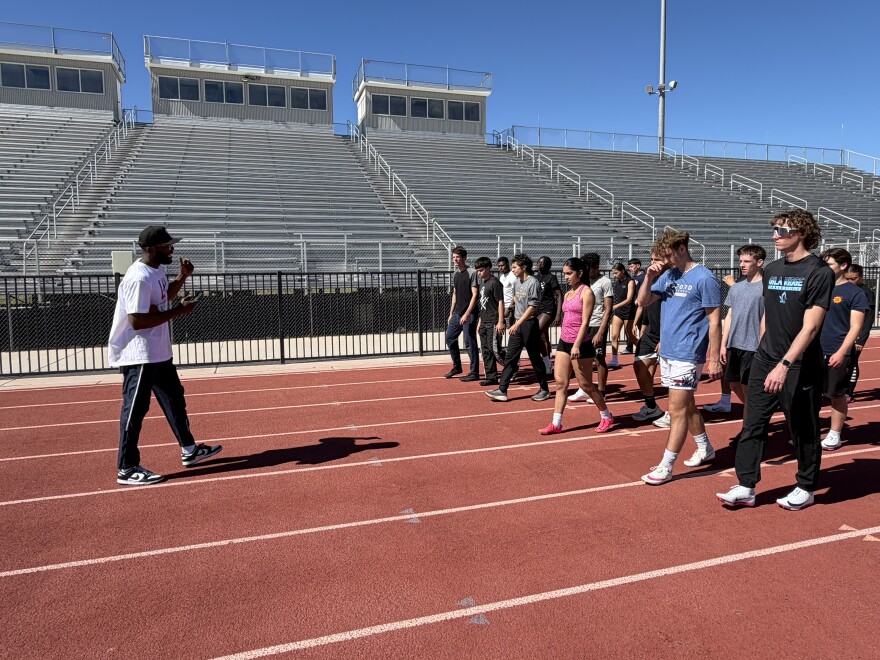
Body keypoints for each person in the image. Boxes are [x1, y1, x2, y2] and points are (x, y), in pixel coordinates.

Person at [717, 209, 834, 510]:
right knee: (752, 423)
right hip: (765, 358)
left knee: (803, 428)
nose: (775, 236)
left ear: (802, 233)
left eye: (782, 231)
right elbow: (768, 312)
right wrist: (762, 349)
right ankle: (746, 486)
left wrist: (784, 364)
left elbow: (811, 327)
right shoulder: (771, 269)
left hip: (798, 364)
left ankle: (806, 487)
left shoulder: (819, 272)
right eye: (775, 230)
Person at [108, 226, 222, 486]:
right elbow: (136, 321)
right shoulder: (138, 277)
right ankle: (126, 467)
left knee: (174, 400)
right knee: (135, 410)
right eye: (166, 245)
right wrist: (178, 312)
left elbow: (163, 298)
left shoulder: (156, 270)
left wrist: (182, 278)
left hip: (158, 352)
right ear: (150, 249)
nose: (172, 249)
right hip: (139, 354)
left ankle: (189, 450)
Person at [638, 229, 722, 485]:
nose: (664, 261)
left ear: (682, 248)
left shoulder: (704, 278)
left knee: (675, 411)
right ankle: (705, 447)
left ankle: (666, 465)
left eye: (667, 255)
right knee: (687, 406)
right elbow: (643, 302)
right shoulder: (669, 275)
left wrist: (714, 357)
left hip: (688, 352)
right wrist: (650, 277)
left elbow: (714, 319)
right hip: (670, 351)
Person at [539, 258, 614, 434]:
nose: (566, 277)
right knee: (560, 384)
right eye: (564, 273)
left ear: (580, 273)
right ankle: (556, 423)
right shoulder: (568, 293)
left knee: (586, 385)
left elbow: (585, 322)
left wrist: (577, 344)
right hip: (564, 342)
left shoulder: (586, 292)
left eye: (569, 273)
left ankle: (606, 415)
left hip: (580, 345)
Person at [714, 244, 766, 446]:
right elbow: (730, 315)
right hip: (734, 345)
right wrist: (722, 344)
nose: (742, 265)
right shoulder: (737, 287)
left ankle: (748, 431)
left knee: (747, 388)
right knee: (734, 385)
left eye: (747, 261)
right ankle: (756, 415)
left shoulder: (766, 288)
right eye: (741, 261)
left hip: (753, 346)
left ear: (759, 263)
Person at [818, 249, 869, 451]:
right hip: (813, 350)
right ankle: (810, 433)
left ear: (843, 266)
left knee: (835, 393)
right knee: (810, 395)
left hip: (836, 350)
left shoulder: (855, 293)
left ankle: (835, 434)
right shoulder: (819, 288)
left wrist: (841, 352)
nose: (825, 269)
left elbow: (856, 327)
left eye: (829, 264)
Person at [486, 253, 551, 402]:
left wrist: (517, 323)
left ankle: (544, 389)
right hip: (517, 323)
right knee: (510, 357)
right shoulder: (516, 282)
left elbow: (533, 307)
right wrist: (509, 309)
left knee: (534, 358)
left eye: (515, 267)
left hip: (529, 324)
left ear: (524, 267)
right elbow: (516, 298)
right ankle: (502, 390)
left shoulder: (533, 282)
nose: (513, 269)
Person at [567, 253, 613, 403]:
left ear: (596, 267)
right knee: (582, 358)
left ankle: (602, 391)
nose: (588, 272)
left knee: (598, 358)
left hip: (597, 324)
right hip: (583, 326)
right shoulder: (583, 283)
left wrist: (600, 331)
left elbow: (608, 308)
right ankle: (584, 388)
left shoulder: (605, 282)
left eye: (590, 269)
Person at [631, 251, 666, 423]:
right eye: (651, 259)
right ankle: (652, 406)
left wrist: (664, 338)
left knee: (669, 379)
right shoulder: (649, 279)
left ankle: (677, 415)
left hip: (666, 334)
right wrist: (639, 325)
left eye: (656, 259)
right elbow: (643, 304)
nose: (652, 262)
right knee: (640, 366)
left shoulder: (670, 280)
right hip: (651, 331)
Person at [445, 246, 480, 381]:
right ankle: (457, 366)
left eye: (458, 257)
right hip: (457, 313)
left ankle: (474, 372)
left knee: (469, 342)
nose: (455, 259)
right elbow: (455, 293)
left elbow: (475, 295)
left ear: (464, 258)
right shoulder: (455, 274)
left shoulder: (472, 272)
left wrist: (467, 314)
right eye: (453, 257)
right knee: (449, 337)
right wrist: (451, 313)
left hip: (469, 313)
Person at [844, 264, 875, 401]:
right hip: (843, 332)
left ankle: (848, 392)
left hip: (857, 335)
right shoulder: (843, 289)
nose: (851, 281)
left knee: (852, 362)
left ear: (861, 277)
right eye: (848, 279)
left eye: (854, 278)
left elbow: (868, 319)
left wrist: (861, 340)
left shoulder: (866, 293)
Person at [474, 257, 505, 387]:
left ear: (487, 268)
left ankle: (511, 363)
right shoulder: (482, 284)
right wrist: (480, 321)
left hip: (493, 321)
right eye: (477, 271)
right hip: (484, 321)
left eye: (481, 270)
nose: (479, 273)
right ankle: (491, 376)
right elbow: (482, 305)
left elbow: (500, 302)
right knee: (485, 350)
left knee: (494, 350)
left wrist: (500, 321)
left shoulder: (495, 282)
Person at [535, 256, 563, 375]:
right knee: (543, 337)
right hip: (538, 310)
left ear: (547, 265)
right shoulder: (535, 278)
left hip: (548, 309)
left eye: (542, 263)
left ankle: (546, 361)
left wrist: (558, 314)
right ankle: (547, 361)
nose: (539, 265)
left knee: (536, 333)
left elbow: (559, 295)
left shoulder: (551, 278)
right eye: (538, 263)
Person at [609, 263, 636, 368]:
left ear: (623, 271)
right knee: (614, 336)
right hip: (619, 313)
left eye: (616, 273)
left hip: (629, 312)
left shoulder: (630, 282)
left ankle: (645, 353)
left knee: (631, 337)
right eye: (613, 273)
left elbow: (629, 299)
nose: (615, 275)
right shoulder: (616, 283)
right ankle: (615, 360)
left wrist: (615, 306)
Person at [624, 258, 646, 353]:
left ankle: (644, 349)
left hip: (642, 307)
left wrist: (639, 298)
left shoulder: (644, 277)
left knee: (642, 328)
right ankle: (629, 347)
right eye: (629, 267)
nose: (630, 268)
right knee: (631, 327)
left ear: (638, 266)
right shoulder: (633, 278)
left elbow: (644, 290)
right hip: (634, 307)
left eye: (632, 266)